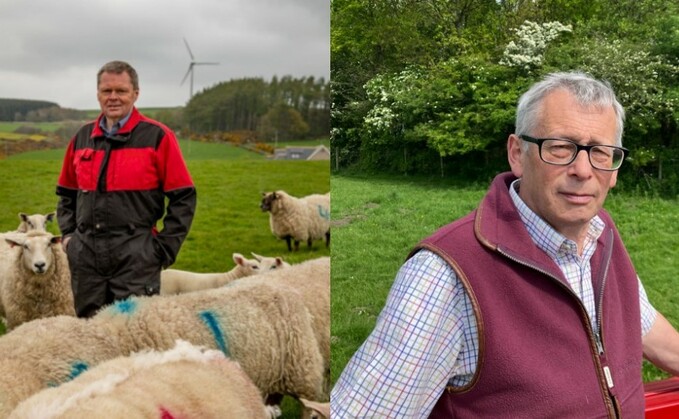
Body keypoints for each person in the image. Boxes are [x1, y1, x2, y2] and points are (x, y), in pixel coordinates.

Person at [331, 72, 679, 417]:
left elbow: (640, 323)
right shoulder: (445, 275)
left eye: (601, 152)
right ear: (517, 153)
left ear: (615, 168)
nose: (583, 170)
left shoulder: (601, 233)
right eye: (561, 147)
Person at [56, 60, 196, 318]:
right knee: (90, 336)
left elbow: (183, 197)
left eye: (121, 91)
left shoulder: (157, 136)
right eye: (106, 91)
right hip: (87, 261)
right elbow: (66, 193)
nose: (113, 97)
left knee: (135, 338)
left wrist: (163, 250)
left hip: (136, 259)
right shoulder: (82, 137)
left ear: (135, 94)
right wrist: (69, 238)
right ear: (98, 94)